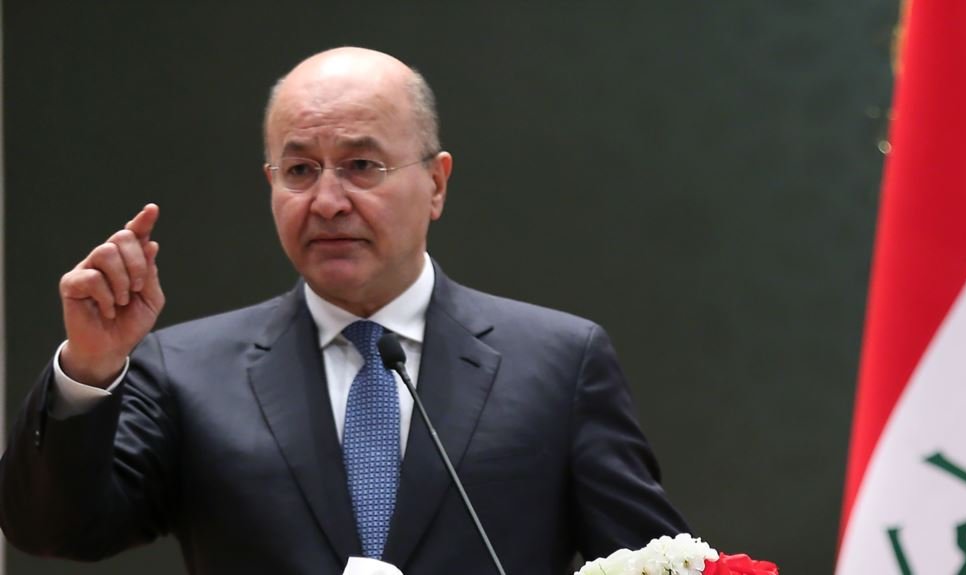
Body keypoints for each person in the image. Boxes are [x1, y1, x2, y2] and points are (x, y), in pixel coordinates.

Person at [0, 47, 687, 574]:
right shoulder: (183, 370)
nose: (327, 202)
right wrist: (90, 368)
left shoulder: (559, 363)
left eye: (362, 166)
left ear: (436, 183)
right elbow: (52, 531)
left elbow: (652, 561)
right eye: (300, 170)